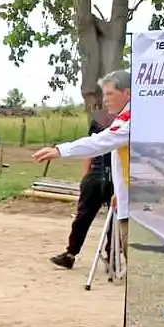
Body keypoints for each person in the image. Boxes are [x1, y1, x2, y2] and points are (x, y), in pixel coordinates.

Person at [33, 69, 132, 261]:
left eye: (110, 94)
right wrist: (120, 192)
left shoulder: (130, 120)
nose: (105, 99)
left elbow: (99, 143)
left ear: (127, 93)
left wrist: (60, 151)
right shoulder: (123, 117)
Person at [48, 113, 114, 269]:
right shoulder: (98, 121)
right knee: (82, 216)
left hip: (115, 175)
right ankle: (70, 254)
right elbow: (90, 148)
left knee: (115, 218)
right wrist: (86, 177)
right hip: (95, 174)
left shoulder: (125, 122)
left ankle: (112, 256)